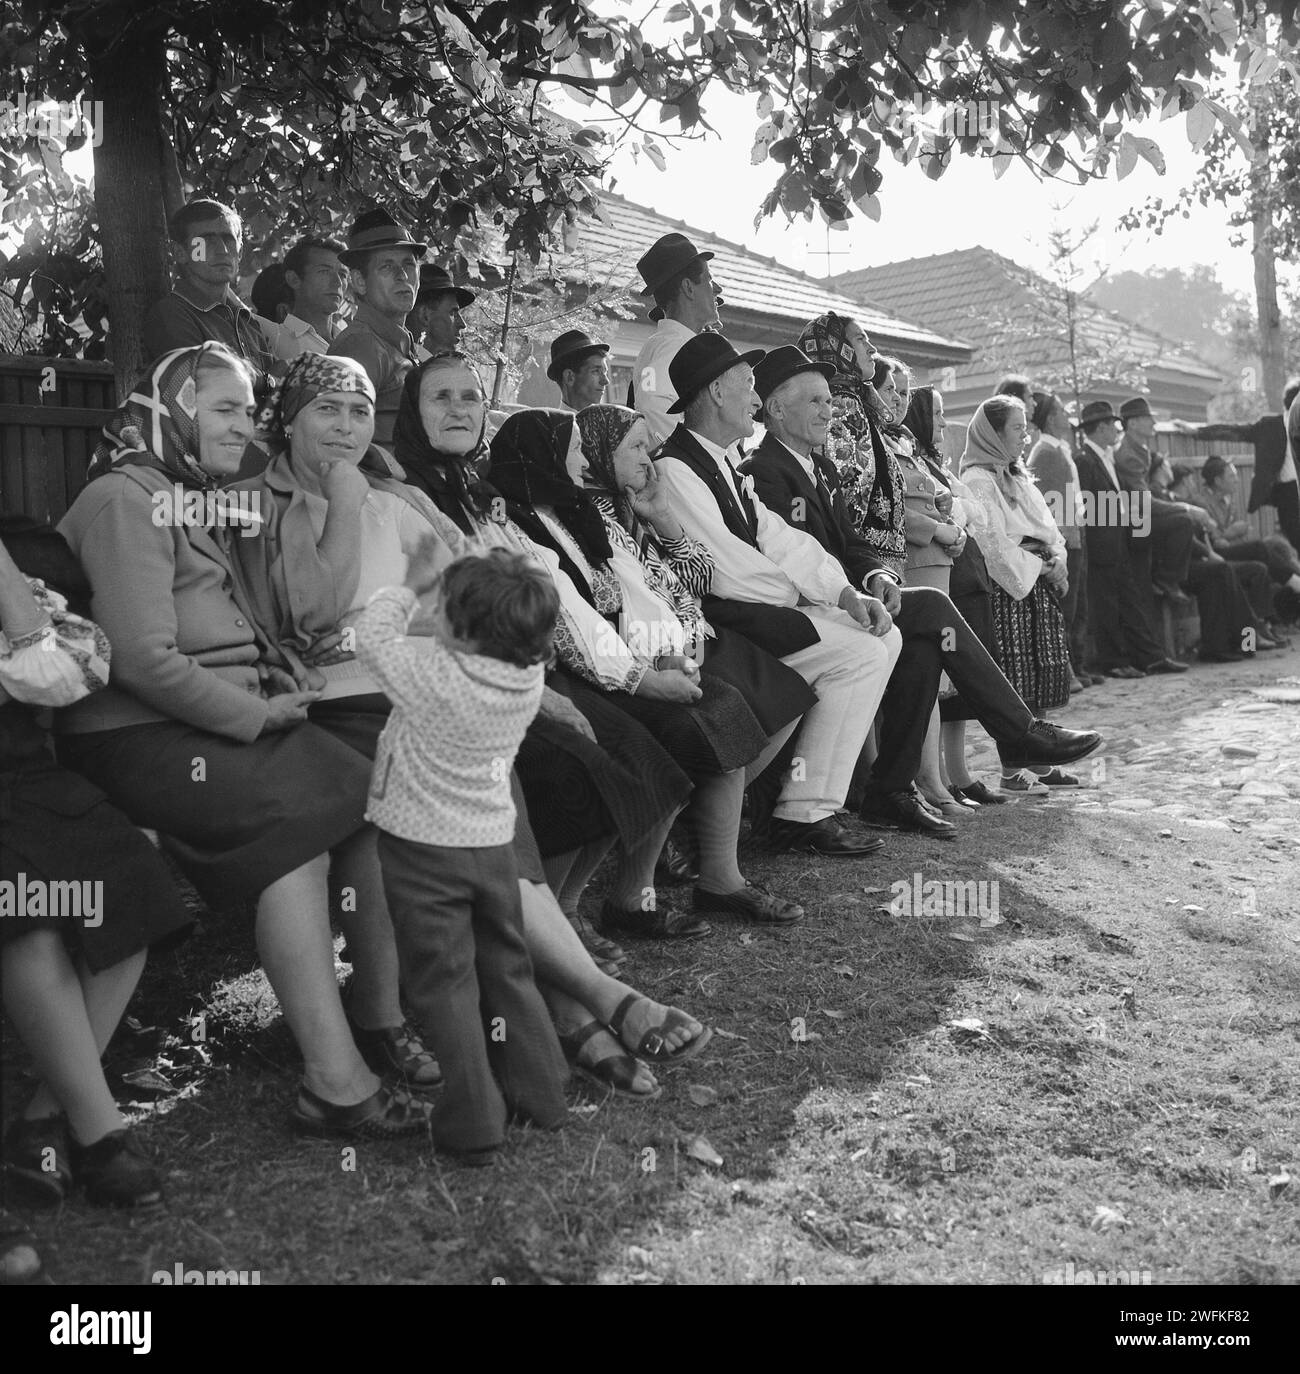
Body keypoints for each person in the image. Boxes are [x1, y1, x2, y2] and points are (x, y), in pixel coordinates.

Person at [230, 352, 712, 1096]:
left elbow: (469, 601)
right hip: (345, 706)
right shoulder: (267, 504)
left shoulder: (397, 500)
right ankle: (587, 1006)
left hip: (427, 686)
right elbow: (308, 617)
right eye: (327, 409)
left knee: (498, 836)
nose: (347, 426)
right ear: (287, 420)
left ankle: (576, 1010)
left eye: (360, 411)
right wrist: (349, 504)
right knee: (485, 829)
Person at [56, 343, 435, 1139]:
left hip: (204, 722)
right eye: (222, 409)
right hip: (141, 735)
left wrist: (275, 678)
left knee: (366, 795)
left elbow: (266, 623)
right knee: (309, 824)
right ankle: (336, 1073)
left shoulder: (188, 493)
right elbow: (142, 660)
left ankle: (366, 1028)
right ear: (174, 411)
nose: (243, 424)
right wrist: (257, 715)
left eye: (243, 408)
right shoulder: (126, 499)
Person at [389, 355, 717, 943]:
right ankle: (553, 919)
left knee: (638, 755)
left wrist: (670, 644)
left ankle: (577, 907)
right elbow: (439, 621)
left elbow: (566, 598)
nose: (461, 407)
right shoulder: (405, 497)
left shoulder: (475, 492)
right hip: (465, 683)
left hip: (538, 668)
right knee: (590, 765)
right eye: (442, 398)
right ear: (414, 412)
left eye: (470, 396)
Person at [743, 348, 1101, 826]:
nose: (829, 410)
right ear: (776, 409)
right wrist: (858, 591)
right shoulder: (762, 469)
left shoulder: (821, 468)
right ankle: (1017, 732)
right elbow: (794, 558)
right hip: (808, 609)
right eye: (815, 402)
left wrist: (882, 577)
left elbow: (853, 543)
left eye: (830, 400)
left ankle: (890, 792)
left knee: (924, 649)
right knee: (931, 606)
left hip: (855, 597)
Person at [509, 402, 809, 922]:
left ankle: (713, 871)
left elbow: (693, 580)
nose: (650, 459)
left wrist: (663, 519)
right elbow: (602, 609)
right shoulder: (577, 516)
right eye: (635, 447)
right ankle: (633, 889)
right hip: (622, 658)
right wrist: (654, 665)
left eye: (650, 446)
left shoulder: (608, 509)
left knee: (748, 702)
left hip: (674, 643)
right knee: (694, 725)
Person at [651, 332, 906, 855]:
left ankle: (810, 804)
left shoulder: (722, 460)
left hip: (759, 609)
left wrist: (843, 593)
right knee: (861, 652)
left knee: (883, 637)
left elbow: (781, 539)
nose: (754, 401)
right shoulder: (676, 468)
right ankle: (802, 811)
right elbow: (725, 570)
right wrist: (804, 597)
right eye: (748, 386)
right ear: (717, 392)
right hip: (719, 624)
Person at [2, 519, 193, 1208]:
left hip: (21, 768)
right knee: (28, 913)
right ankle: (100, 1134)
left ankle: (44, 1119)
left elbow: (56, 673)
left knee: (128, 886)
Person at [356, 549, 570, 1163]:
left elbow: (373, 641)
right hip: (493, 847)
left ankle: (473, 1120)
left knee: (444, 982)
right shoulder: (526, 679)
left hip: (424, 852)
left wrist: (403, 590)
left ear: (465, 633)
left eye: (445, 614)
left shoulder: (431, 680)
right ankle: (543, 1093)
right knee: (507, 966)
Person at [960, 397, 1078, 792]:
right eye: (1017, 429)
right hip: (1009, 593)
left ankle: (1040, 760)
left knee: (1041, 674)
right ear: (993, 433)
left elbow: (1047, 527)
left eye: (1026, 428)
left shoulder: (1018, 477)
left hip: (1036, 584)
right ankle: (1012, 769)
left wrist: (1057, 558)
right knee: (1017, 677)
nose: (1025, 437)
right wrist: (1037, 565)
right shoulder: (979, 480)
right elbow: (991, 545)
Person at [1073, 400, 1187, 678]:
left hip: (1120, 541)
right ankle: (1112, 662)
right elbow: (1082, 507)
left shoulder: (1106, 457)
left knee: (1131, 602)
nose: (1117, 428)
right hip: (1102, 545)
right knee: (1107, 607)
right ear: (1100, 428)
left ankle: (1151, 658)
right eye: (1113, 424)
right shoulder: (1084, 460)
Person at [795, 312, 907, 581]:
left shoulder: (851, 400)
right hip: (864, 566)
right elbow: (847, 493)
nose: (872, 349)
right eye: (860, 339)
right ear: (838, 347)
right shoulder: (843, 404)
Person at [142, 198, 276, 394]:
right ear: (180, 252)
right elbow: (205, 382)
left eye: (228, 240)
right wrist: (268, 381)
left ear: (239, 253)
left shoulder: (247, 320)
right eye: (206, 241)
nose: (222, 250)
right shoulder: (170, 314)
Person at [329, 208, 426, 445]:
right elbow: (336, 439)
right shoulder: (360, 346)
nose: (403, 275)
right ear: (360, 282)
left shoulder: (403, 344)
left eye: (409, 265)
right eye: (387, 267)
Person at [1027, 391, 1100, 689]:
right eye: (1060, 410)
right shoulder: (1045, 453)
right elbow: (1049, 504)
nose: (1066, 415)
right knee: (1066, 607)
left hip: (1075, 534)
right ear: (1049, 417)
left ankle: (1078, 665)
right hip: (1064, 540)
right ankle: (1063, 670)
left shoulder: (1061, 449)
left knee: (1078, 605)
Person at [630, 233, 724, 442]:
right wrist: (693, 457)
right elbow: (651, 404)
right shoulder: (674, 347)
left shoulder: (668, 344)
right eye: (709, 279)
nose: (717, 289)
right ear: (689, 288)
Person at [1177, 455, 1300, 611]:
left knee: (1275, 546)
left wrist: (1232, 534)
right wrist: (1231, 533)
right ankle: (1293, 582)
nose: (1236, 480)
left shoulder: (1227, 501)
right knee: (1260, 549)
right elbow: (1214, 539)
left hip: (1227, 548)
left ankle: (1275, 614)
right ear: (1218, 481)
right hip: (1212, 553)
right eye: (1232, 476)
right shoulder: (1201, 503)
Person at [1113, 396, 1199, 605]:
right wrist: (1187, 508)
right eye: (1148, 418)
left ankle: (1166, 578)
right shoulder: (1127, 454)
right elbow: (1143, 503)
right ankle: (1166, 580)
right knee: (1183, 521)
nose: (1154, 423)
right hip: (1131, 523)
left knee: (1182, 518)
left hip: (1139, 516)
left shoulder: (1137, 448)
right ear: (1132, 423)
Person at [258, 235, 348, 362]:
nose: (338, 282)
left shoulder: (352, 340)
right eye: (324, 271)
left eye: (343, 274)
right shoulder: (274, 336)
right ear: (294, 280)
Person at [411, 264, 476, 360]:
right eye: (453, 313)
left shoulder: (422, 366)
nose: (462, 324)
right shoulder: (402, 368)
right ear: (425, 315)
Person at [549, 331, 611, 411]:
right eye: (596, 371)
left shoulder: (611, 422)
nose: (605, 381)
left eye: (605, 372)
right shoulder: (548, 423)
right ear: (569, 377)